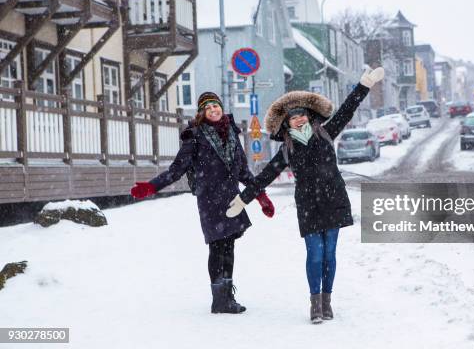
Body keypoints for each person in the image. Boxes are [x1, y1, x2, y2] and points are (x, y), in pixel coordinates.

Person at [225, 67, 385, 324]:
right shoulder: (287, 150)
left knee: (330, 253)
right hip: (309, 204)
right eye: (293, 117)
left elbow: (347, 108)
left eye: (301, 115)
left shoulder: (326, 132)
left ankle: (327, 301)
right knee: (315, 253)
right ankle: (314, 303)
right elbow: (265, 176)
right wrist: (244, 198)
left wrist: (364, 84)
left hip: (334, 199)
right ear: (287, 124)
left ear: (309, 117)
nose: (298, 119)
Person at [130, 92, 275, 314]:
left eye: (215, 106)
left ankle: (227, 296)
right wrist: (151, 187)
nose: (213, 110)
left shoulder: (233, 135)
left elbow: (244, 172)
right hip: (209, 200)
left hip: (232, 199)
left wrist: (261, 197)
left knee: (229, 247)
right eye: (208, 108)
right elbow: (176, 169)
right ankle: (219, 300)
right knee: (217, 247)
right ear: (202, 113)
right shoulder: (195, 137)